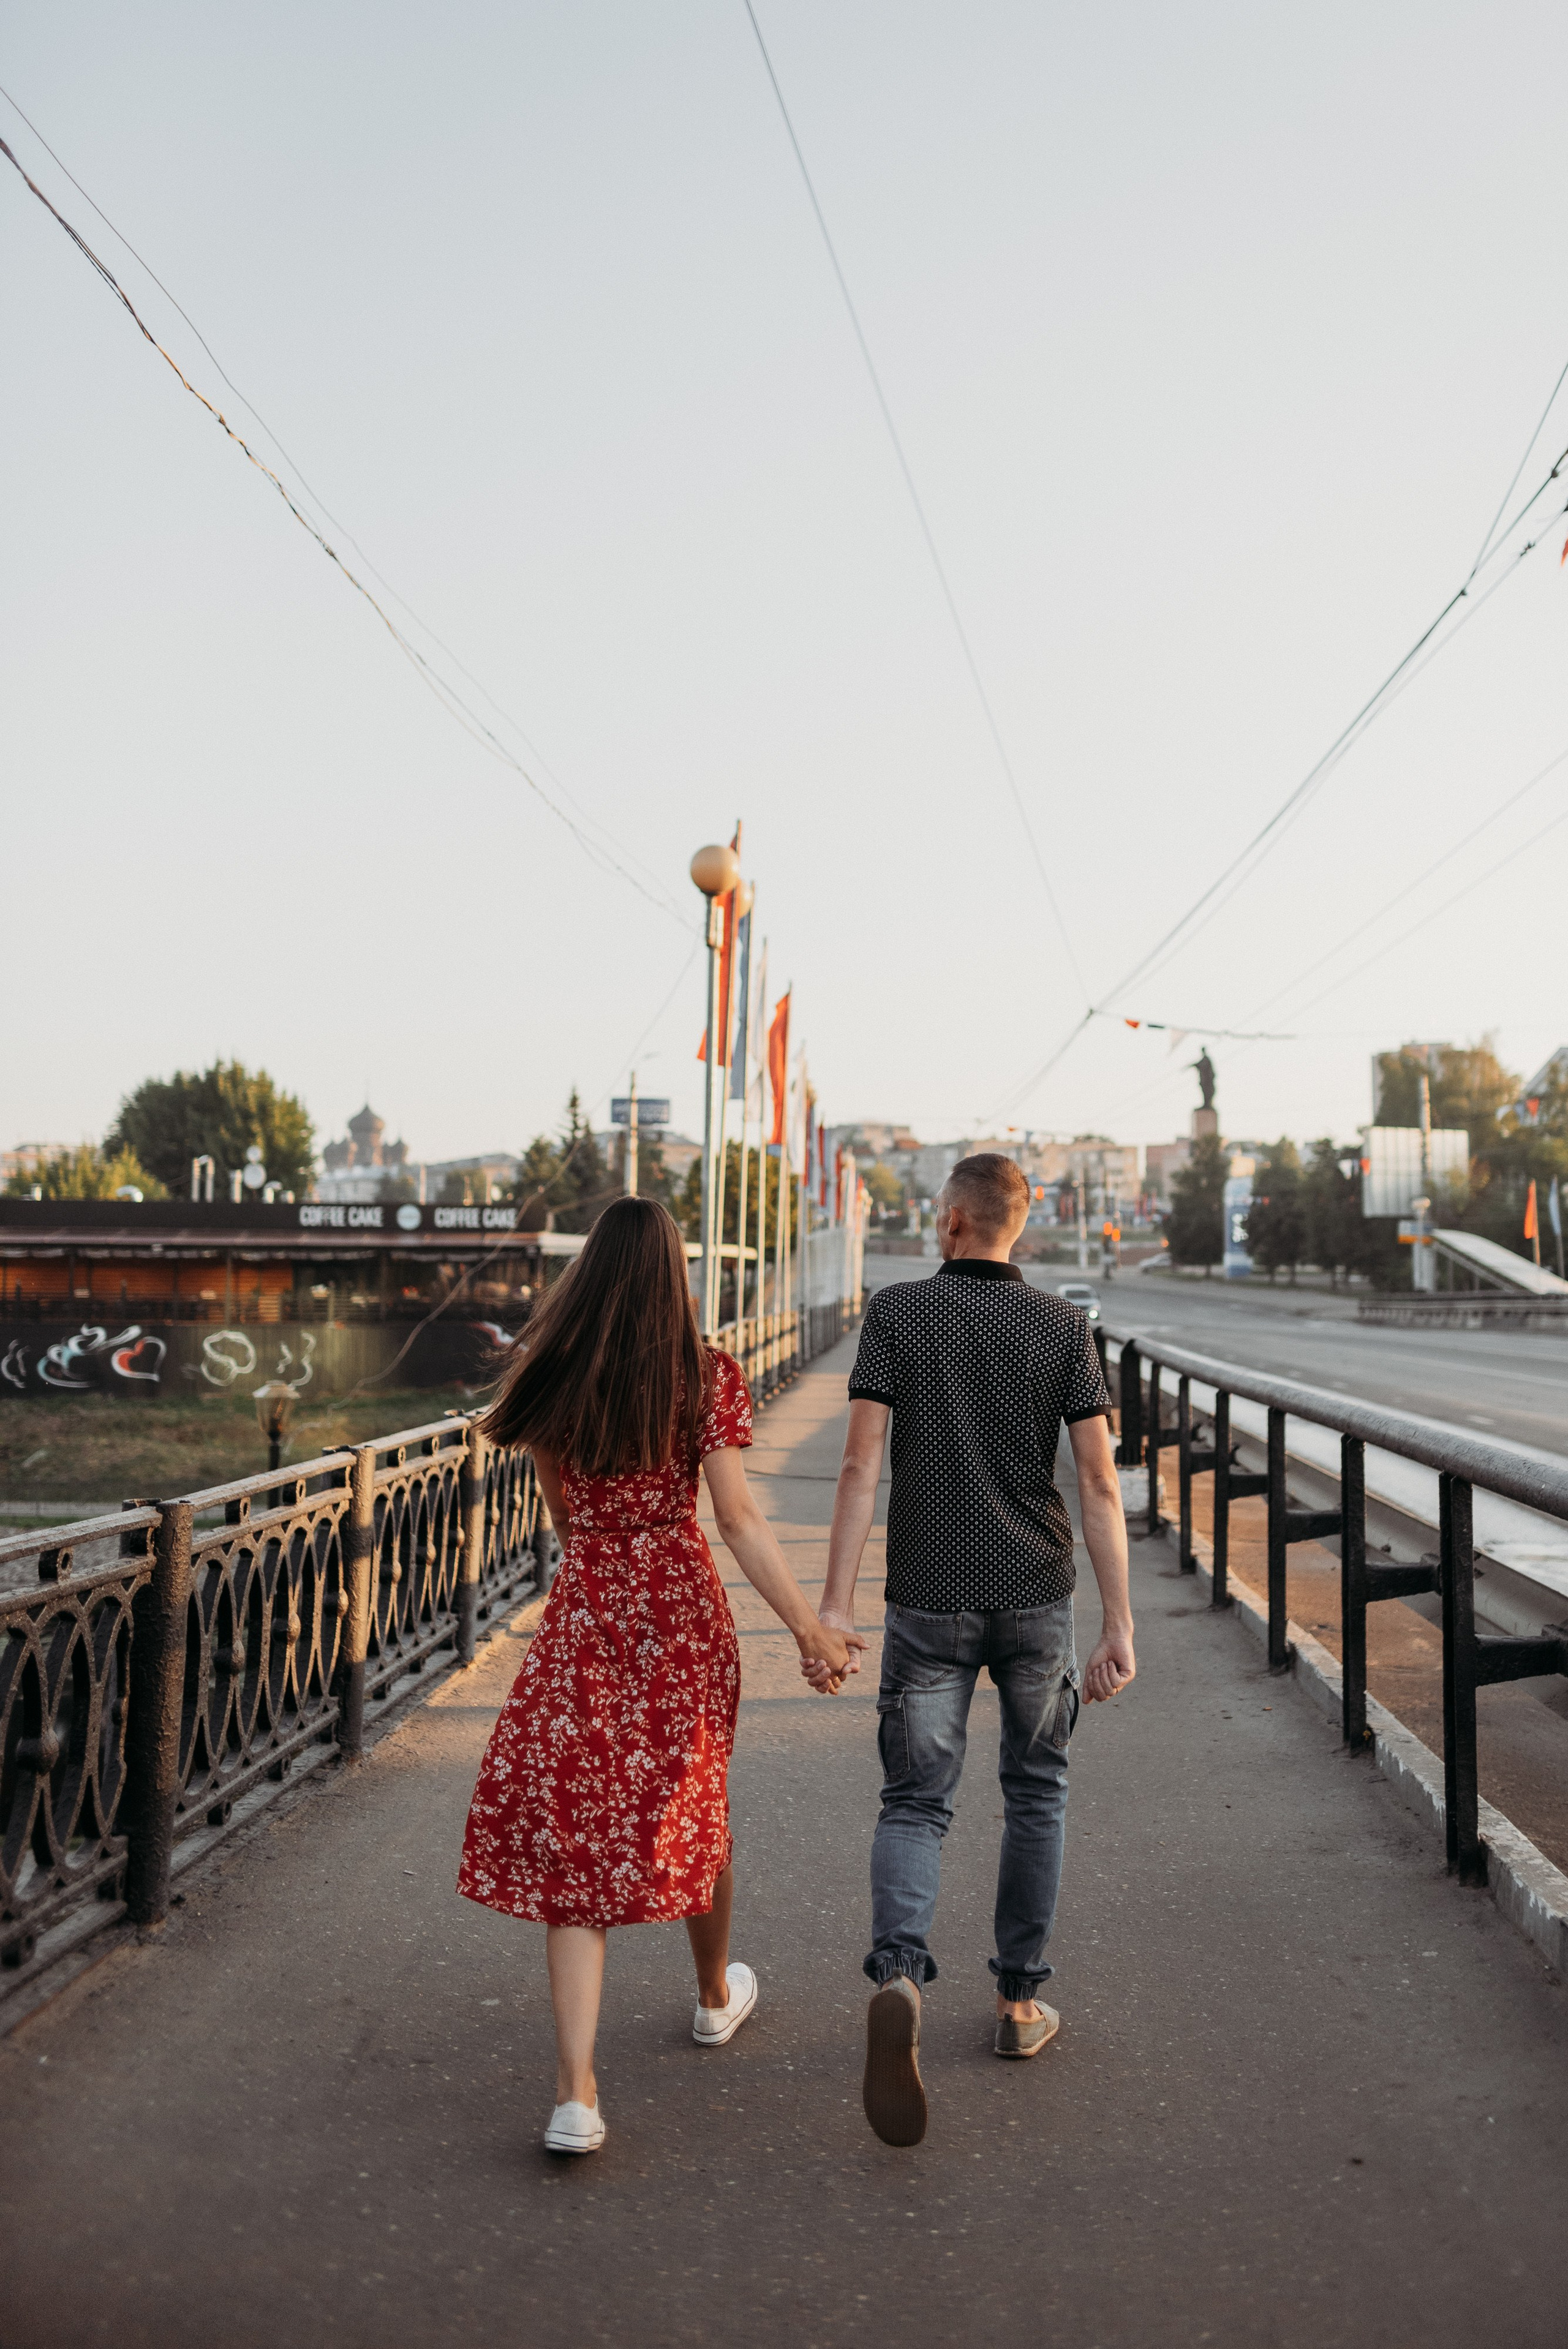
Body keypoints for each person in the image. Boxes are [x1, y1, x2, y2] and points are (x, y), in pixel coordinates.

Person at [457, 1196, 851, 2157]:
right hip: (679, 1612)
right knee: (695, 1801)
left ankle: (576, 2097)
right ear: (673, 1271)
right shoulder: (703, 1375)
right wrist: (810, 1631)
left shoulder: (550, 1376)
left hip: (589, 1609)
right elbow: (740, 1520)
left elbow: (561, 1513)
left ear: (590, 1271)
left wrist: (602, 1559)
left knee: (577, 1837)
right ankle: (715, 1996)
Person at [803, 1153, 1135, 2147]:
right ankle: (1018, 2006)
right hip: (1036, 1593)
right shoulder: (1062, 1326)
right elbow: (1100, 1485)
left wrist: (833, 1602)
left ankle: (899, 1970)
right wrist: (1119, 1623)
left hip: (928, 1597)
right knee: (1036, 1791)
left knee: (916, 1800)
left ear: (950, 1221)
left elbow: (861, 1464)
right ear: (1017, 1229)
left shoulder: (899, 1313)